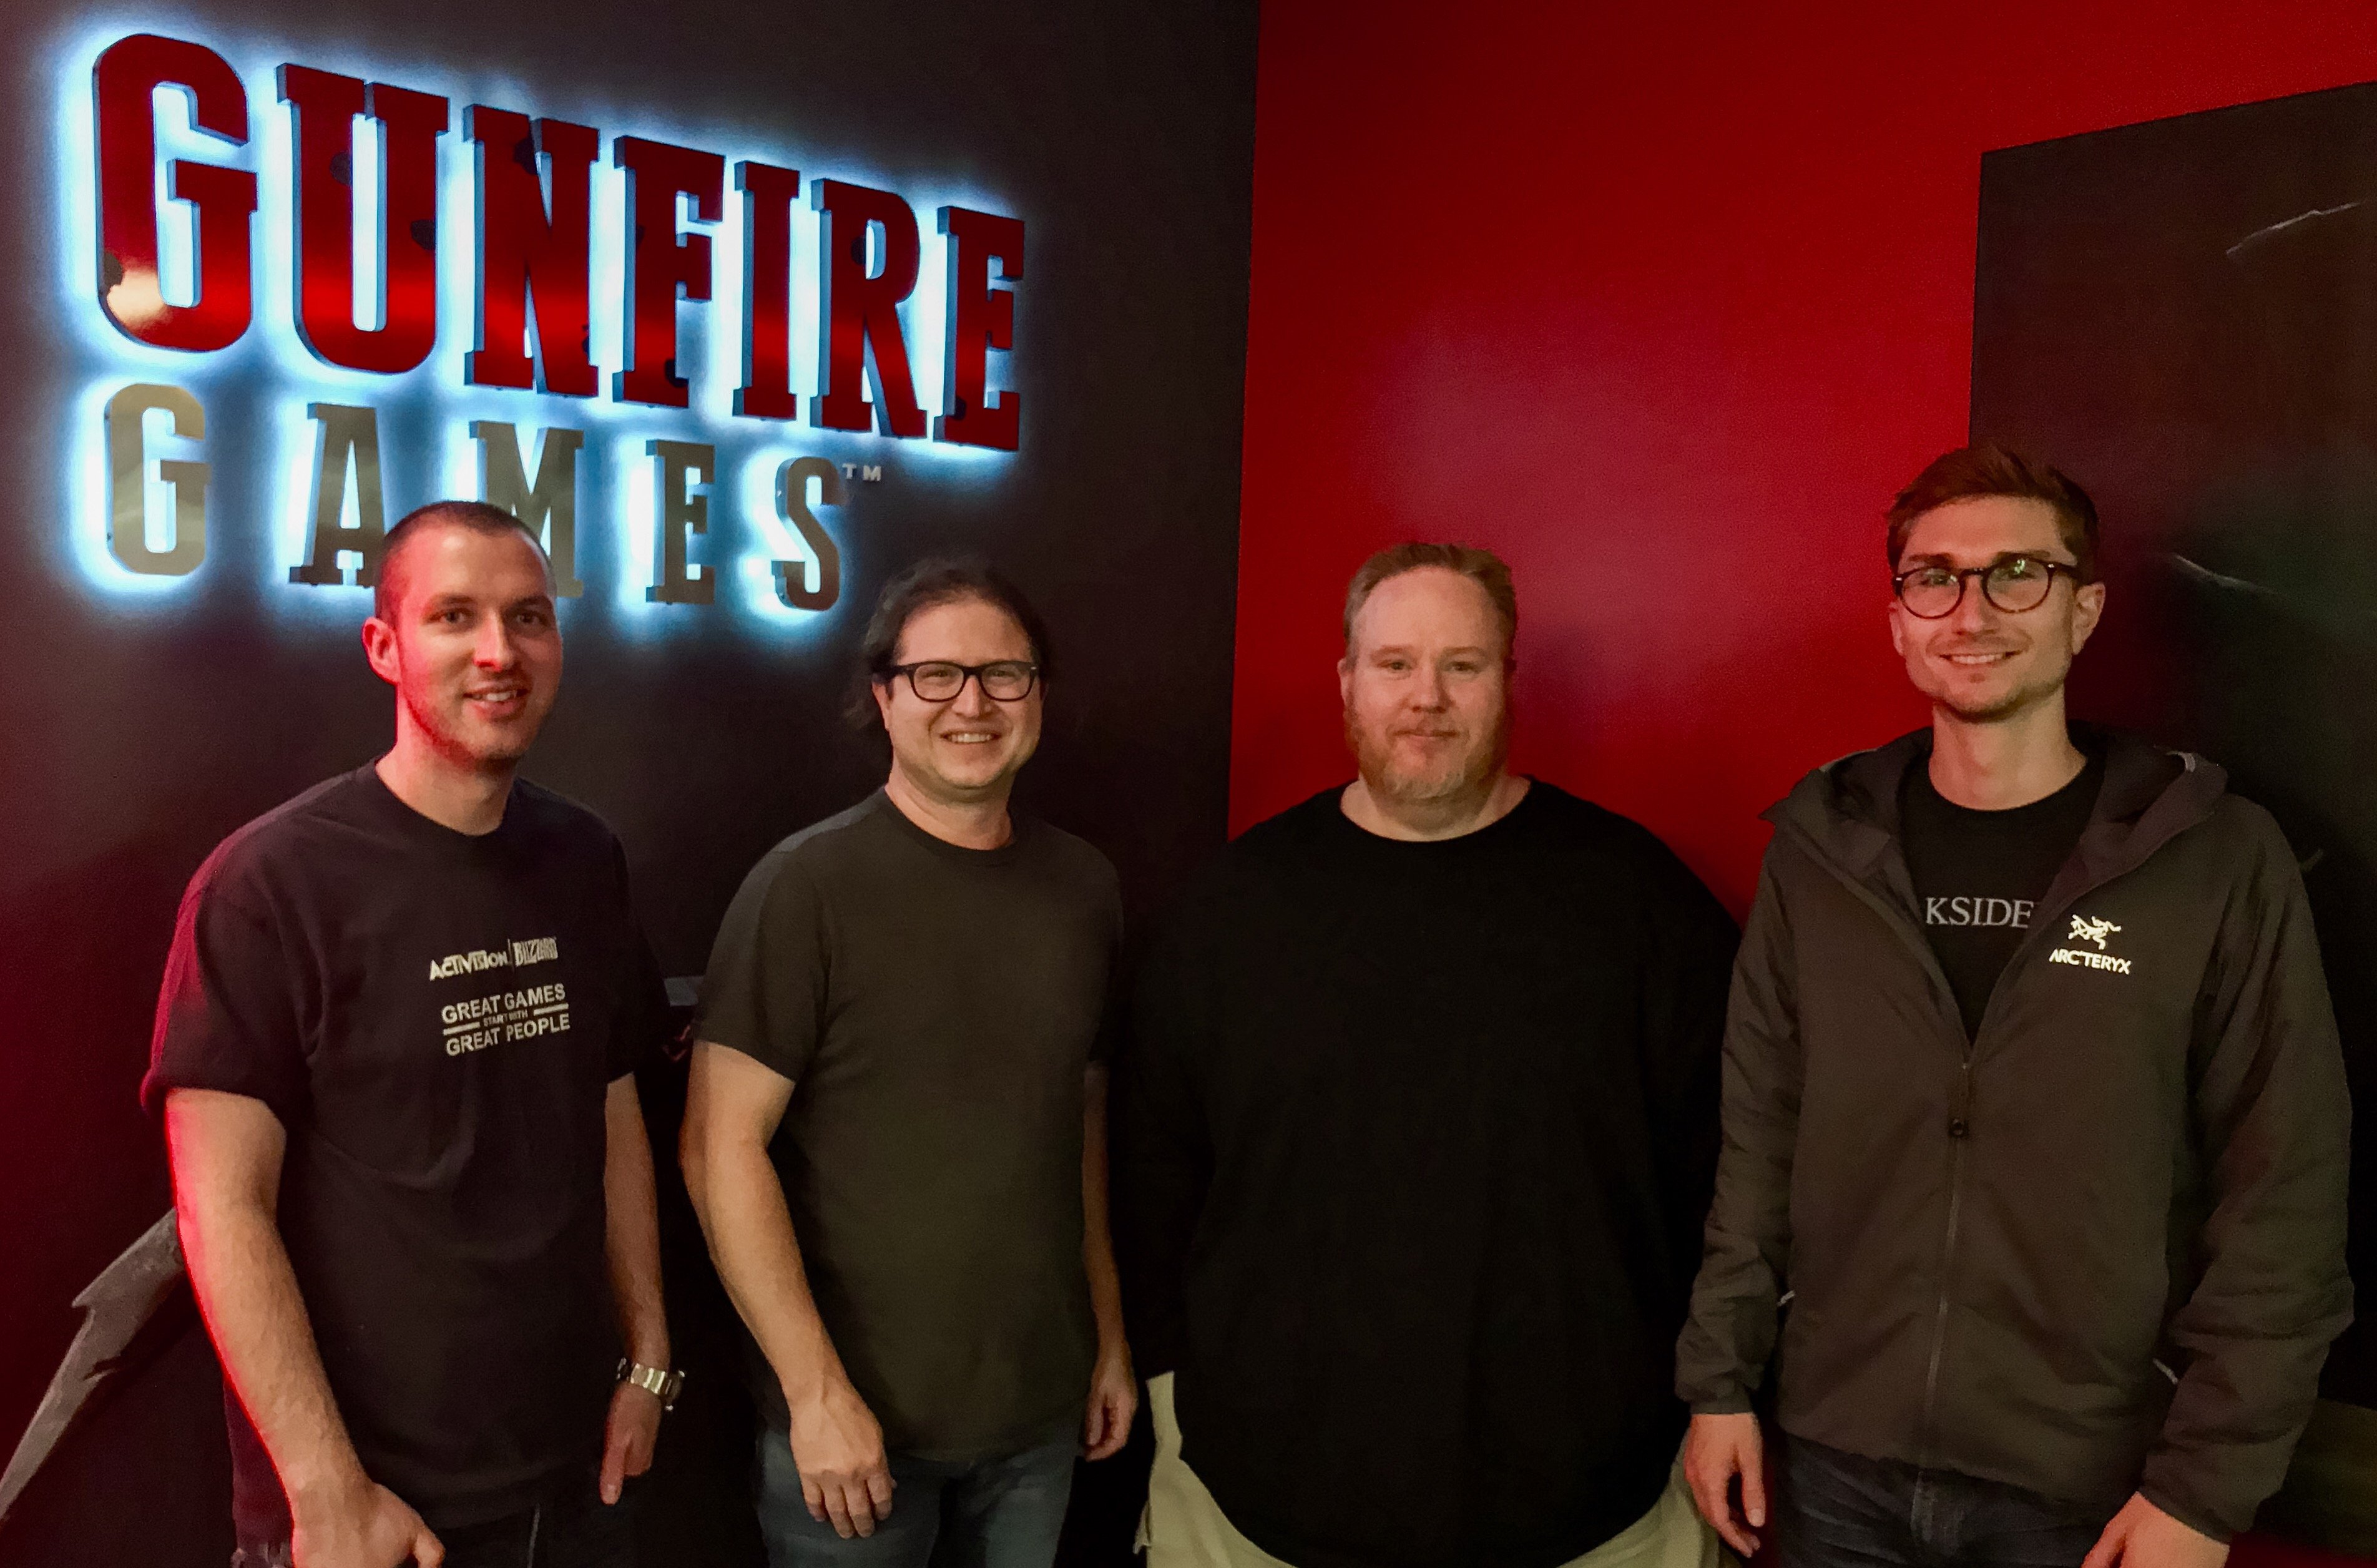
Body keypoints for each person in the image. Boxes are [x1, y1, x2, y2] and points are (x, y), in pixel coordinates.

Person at [1677, 445, 2353, 1568]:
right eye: (1934, 577)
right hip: (1832, 1461)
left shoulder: (2216, 859)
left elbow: (2283, 1188)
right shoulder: (1823, 854)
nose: (1971, 610)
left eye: (2017, 574)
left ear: (2084, 610)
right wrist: (1717, 1384)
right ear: (1899, 617)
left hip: (2087, 1485)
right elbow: (1757, 1139)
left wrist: (2206, 1489)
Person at [1115, 542, 1738, 1568]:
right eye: (1396, 664)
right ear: (1347, 683)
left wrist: (1718, 1392)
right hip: (1255, 1503)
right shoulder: (1232, 910)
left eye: (1464, 665)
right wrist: (1173, 1404)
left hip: (1595, 1510)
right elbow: (1155, 1178)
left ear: (1509, 681)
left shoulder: (1640, 904)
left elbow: (1732, 1177)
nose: (1427, 699)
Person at [146, 501, 676, 1568]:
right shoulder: (268, 885)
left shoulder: (585, 858)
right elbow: (220, 1208)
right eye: (454, 617)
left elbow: (611, 1102)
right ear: (385, 648)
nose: (499, 652)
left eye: (529, 617)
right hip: (381, 1512)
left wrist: (650, 1355)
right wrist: (324, 1487)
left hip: (577, 1473)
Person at [681, 558, 1135, 1568]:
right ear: (884, 698)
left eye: (1003, 674)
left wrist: (1106, 1334)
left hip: (1037, 1420)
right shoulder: (805, 888)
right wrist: (814, 1394)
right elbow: (719, 1151)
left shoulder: (1084, 889)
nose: (972, 702)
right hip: (855, 1440)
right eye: (936, 676)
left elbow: (1081, 1122)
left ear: (1038, 696)